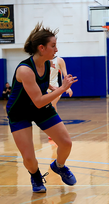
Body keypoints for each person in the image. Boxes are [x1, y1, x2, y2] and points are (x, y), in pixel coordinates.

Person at [6, 22, 78, 193]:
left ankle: (59, 166)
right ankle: (36, 175)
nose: (56, 49)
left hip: (39, 108)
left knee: (66, 143)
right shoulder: (25, 70)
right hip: (20, 112)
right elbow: (38, 100)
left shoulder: (47, 64)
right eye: (53, 46)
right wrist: (62, 88)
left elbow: (40, 89)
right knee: (29, 158)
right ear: (41, 48)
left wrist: (53, 88)